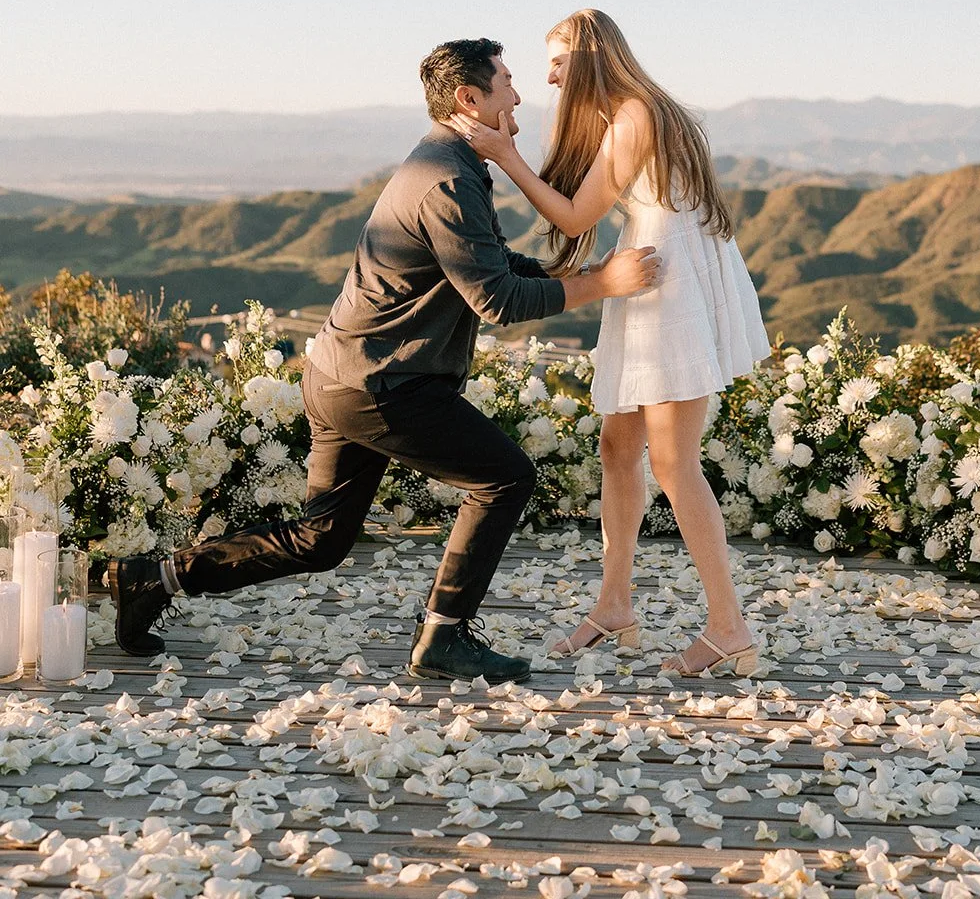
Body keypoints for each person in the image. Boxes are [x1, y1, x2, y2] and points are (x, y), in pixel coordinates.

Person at [108, 38, 660, 682]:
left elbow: (486, 262)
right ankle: (444, 636)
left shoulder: (445, 162)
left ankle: (154, 578)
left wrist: (574, 270)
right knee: (505, 478)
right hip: (383, 385)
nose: (518, 94)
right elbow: (495, 299)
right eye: (507, 81)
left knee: (322, 539)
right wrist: (602, 285)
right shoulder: (448, 179)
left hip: (339, 374)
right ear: (470, 98)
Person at [447, 11, 769, 678]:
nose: (549, 73)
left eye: (558, 58)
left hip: (666, 284)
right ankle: (615, 605)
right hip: (650, 275)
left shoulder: (635, 116)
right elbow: (577, 196)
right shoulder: (626, 114)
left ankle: (729, 627)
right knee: (617, 447)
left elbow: (573, 215)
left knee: (675, 462)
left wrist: (503, 158)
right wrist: (517, 149)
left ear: (590, 53)